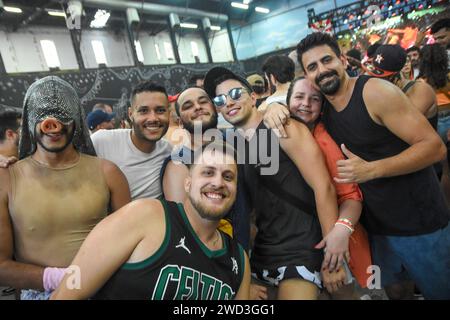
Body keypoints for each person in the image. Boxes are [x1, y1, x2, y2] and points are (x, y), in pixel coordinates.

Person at [295, 32, 449, 299]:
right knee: (395, 292)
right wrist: (274, 110)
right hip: (377, 230)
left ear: (343, 59)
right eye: (312, 67)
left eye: (327, 60)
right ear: (307, 75)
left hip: (421, 224)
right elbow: (290, 105)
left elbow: (434, 147)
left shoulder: (375, 92)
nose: (322, 70)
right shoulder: (323, 110)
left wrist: (373, 169)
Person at [204, 67, 350, 300]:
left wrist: (331, 255)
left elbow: (324, 188)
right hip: (265, 249)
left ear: (253, 97)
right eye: (220, 99)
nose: (228, 102)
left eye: (235, 94)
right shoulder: (232, 144)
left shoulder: (283, 127)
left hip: (304, 244)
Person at [51, 141, 251, 300]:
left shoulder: (239, 259)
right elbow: (67, 293)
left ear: (235, 190)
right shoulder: (144, 215)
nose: (217, 182)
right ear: (188, 184)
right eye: (208, 172)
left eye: (228, 177)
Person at [0, 76, 131, 300]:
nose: (53, 123)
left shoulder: (108, 173)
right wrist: (60, 279)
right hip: (41, 292)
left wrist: (95, 280)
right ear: (31, 120)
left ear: (76, 119)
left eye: (63, 113)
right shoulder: (7, 177)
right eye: (43, 113)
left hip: (106, 287)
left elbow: (131, 243)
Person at [264, 77, 372, 299]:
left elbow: (351, 197)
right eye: (299, 97)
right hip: (299, 239)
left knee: (342, 291)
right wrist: (272, 108)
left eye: (314, 99)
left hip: (332, 239)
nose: (305, 103)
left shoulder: (324, 141)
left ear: (322, 107)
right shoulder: (285, 129)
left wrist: (339, 233)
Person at [161, 86, 251, 251]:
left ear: (215, 109)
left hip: (251, 253)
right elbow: (185, 229)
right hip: (216, 260)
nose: (197, 107)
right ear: (180, 122)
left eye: (203, 102)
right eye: (188, 106)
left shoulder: (238, 140)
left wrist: (275, 108)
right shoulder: (178, 163)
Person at [90, 81, 173, 200]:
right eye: (144, 111)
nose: (153, 118)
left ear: (169, 114)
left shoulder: (169, 151)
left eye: (160, 110)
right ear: (130, 114)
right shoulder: (101, 142)